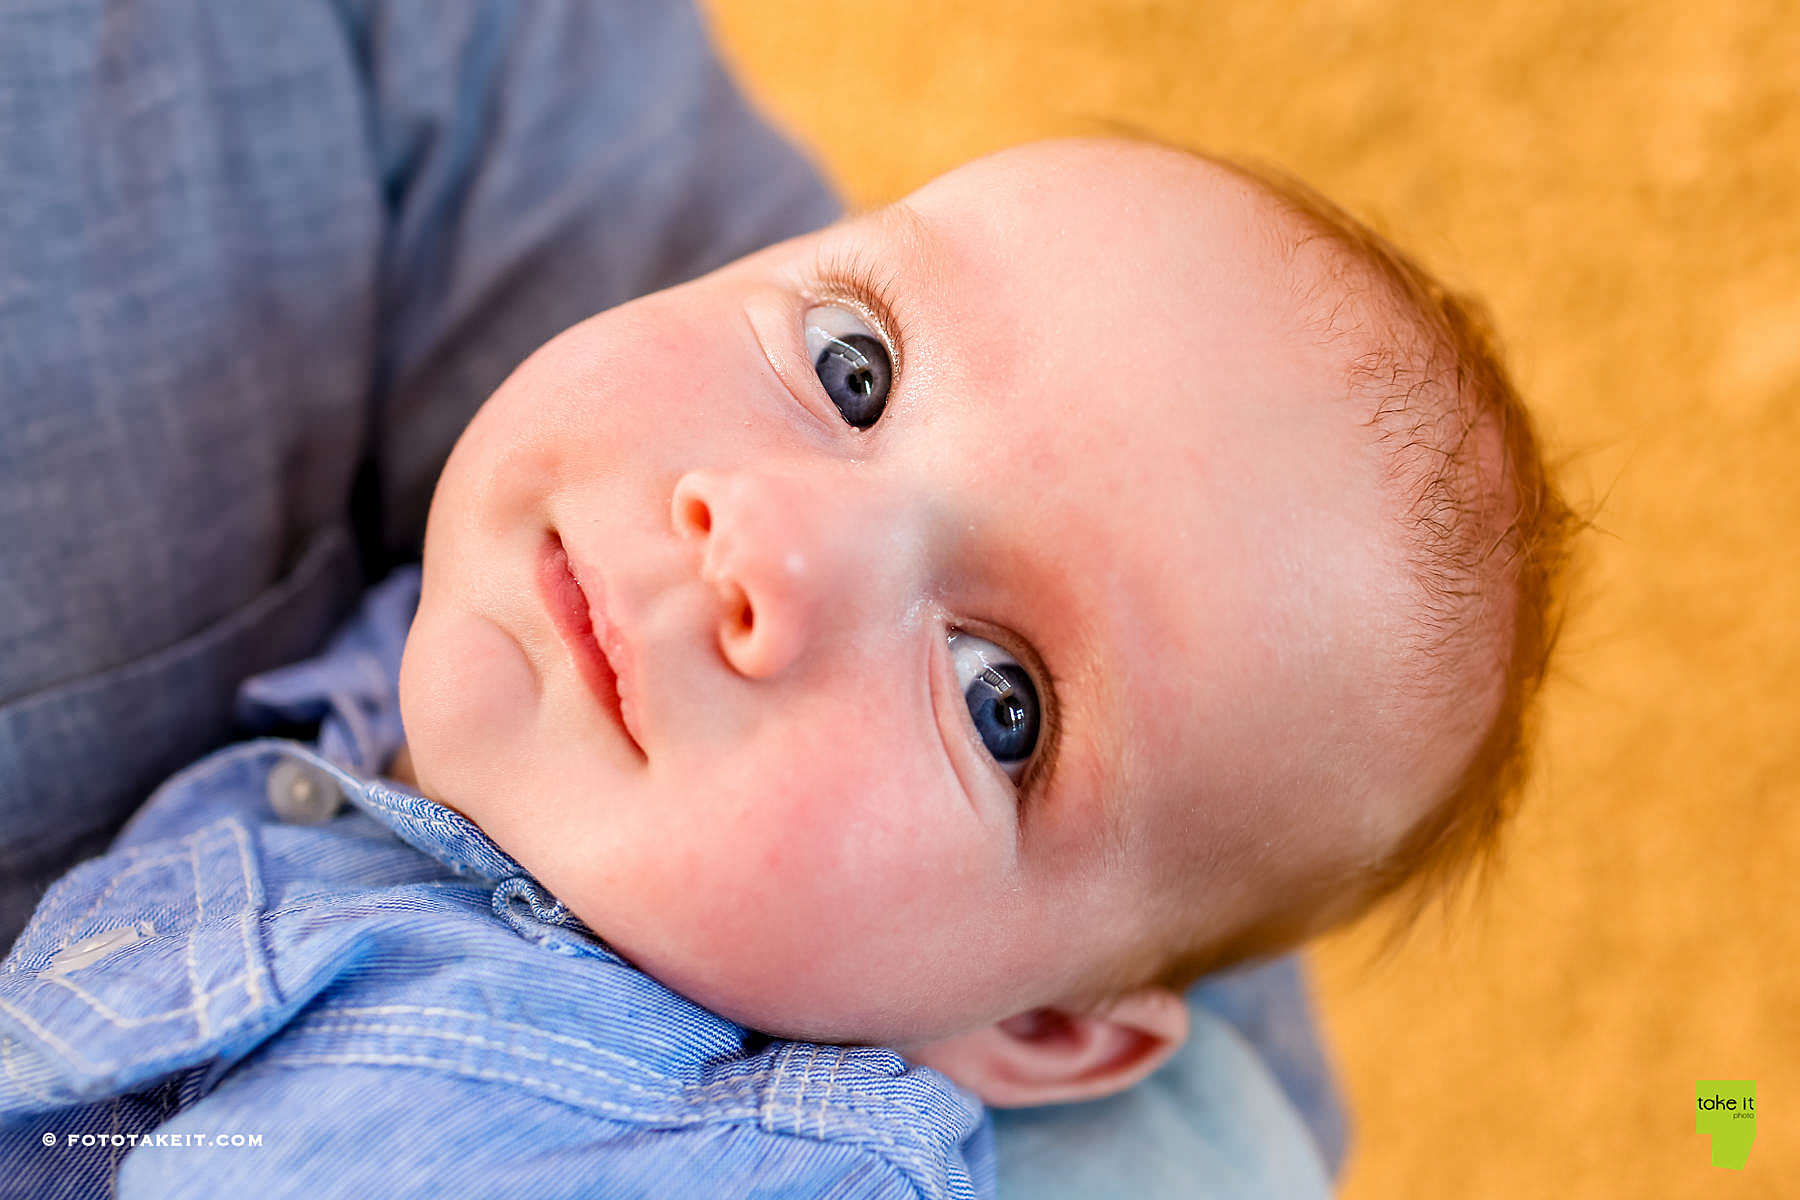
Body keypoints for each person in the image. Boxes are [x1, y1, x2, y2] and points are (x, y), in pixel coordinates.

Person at [0, 128, 1573, 1196]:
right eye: (854, 367)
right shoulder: (465, 708)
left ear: (1034, 1034)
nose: (765, 546)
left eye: (997, 699)